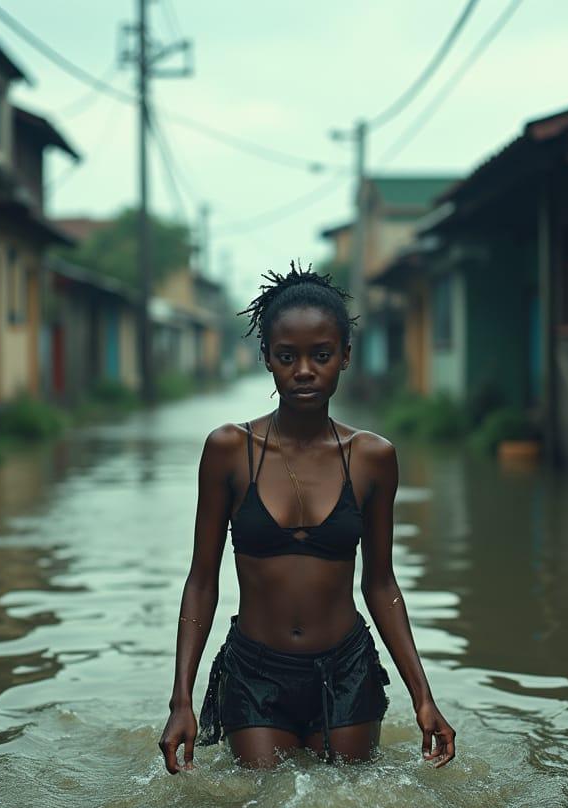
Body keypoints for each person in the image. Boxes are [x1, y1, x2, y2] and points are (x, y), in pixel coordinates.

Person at [158, 261, 456, 772]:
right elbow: (201, 581)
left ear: (344, 356)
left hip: (345, 668)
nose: (303, 371)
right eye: (286, 356)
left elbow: (380, 583)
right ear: (267, 359)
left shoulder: (372, 457)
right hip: (254, 671)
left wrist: (423, 696)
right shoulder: (229, 450)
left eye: (320, 355)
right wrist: (180, 699)